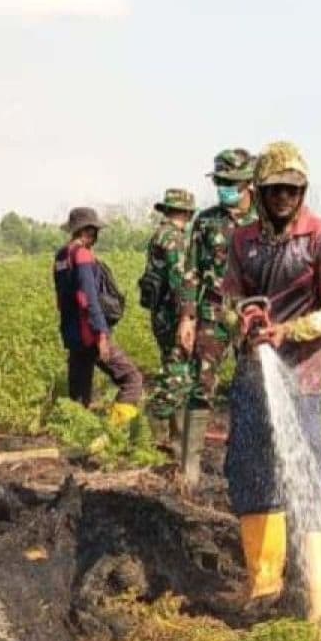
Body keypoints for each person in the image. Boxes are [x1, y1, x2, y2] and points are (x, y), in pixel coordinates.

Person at [222, 141, 321, 623]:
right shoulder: (242, 242)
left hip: (302, 379)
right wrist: (242, 317)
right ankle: (264, 586)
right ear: (259, 191)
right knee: (252, 475)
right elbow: (227, 298)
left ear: (303, 191)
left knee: (312, 480)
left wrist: (289, 331)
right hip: (253, 378)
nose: (284, 198)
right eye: (275, 189)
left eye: (292, 191)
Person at [175, 149, 259, 488]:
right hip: (211, 315)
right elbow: (190, 272)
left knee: (250, 390)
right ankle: (189, 467)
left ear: (248, 184)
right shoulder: (206, 221)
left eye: (231, 183)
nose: (224, 188)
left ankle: (241, 465)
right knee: (201, 387)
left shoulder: (263, 223)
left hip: (251, 318)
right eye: (220, 182)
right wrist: (187, 317)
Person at [53, 207, 143, 428]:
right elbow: (88, 299)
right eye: (94, 231)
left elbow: (60, 299)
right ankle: (114, 433)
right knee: (132, 380)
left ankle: (76, 436)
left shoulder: (61, 256)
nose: (96, 236)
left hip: (72, 334)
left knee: (79, 397)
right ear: (88, 231)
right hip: (89, 333)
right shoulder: (82, 255)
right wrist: (101, 334)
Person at [139, 188, 196, 450]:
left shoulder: (159, 236)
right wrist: (187, 318)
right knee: (178, 376)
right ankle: (148, 430)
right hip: (172, 315)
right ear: (186, 212)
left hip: (161, 314)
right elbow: (178, 282)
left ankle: (174, 438)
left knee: (173, 368)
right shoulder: (174, 239)